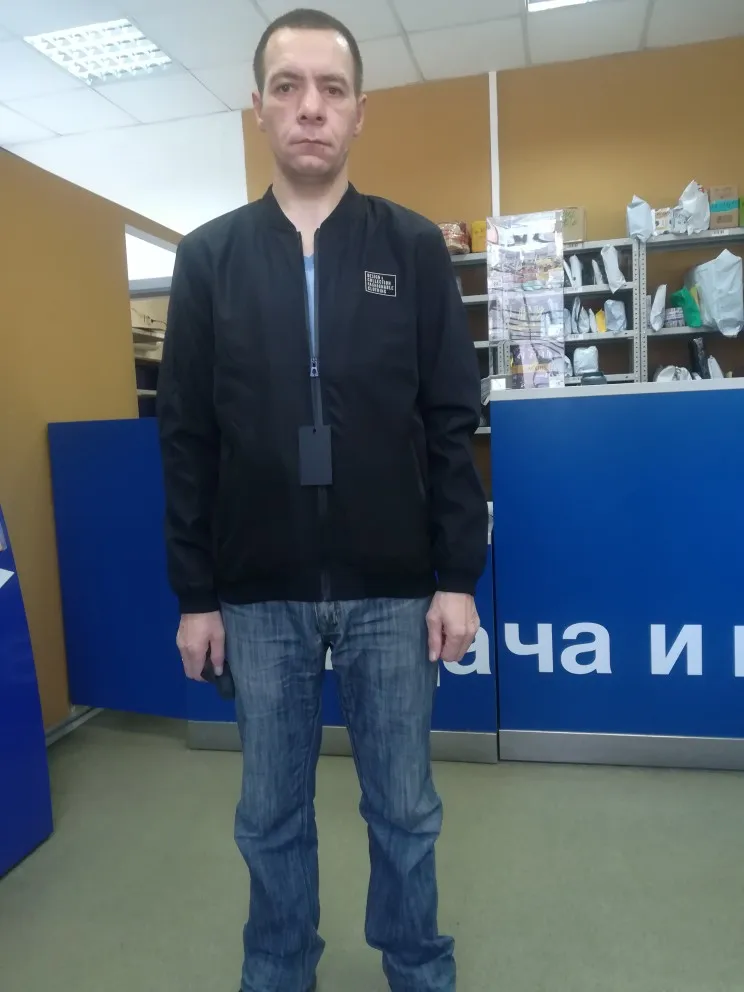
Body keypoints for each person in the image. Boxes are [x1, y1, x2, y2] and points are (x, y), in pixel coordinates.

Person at [157, 8, 487, 991]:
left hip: (394, 589)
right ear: (258, 107)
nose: (311, 107)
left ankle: (418, 966)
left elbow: (450, 420)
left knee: (406, 809)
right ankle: (277, 969)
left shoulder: (412, 247)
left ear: (359, 111)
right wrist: (196, 594)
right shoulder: (209, 259)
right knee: (269, 814)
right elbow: (186, 438)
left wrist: (456, 577)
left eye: (331, 89)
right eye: (289, 87)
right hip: (258, 594)